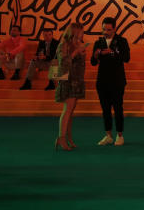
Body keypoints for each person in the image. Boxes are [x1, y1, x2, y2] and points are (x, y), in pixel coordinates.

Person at [91, 18, 131, 146]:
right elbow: (93, 62)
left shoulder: (122, 41)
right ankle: (108, 135)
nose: (106, 32)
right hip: (102, 81)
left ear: (114, 29)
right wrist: (96, 55)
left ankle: (120, 135)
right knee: (105, 109)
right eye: (104, 29)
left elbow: (126, 58)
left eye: (108, 29)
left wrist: (112, 52)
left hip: (117, 80)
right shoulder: (99, 42)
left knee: (118, 108)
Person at [54, 23, 86, 151]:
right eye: (80, 32)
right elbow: (64, 63)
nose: (82, 34)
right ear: (74, 32)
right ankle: (61, 138)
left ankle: (68, 137)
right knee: (67, 110)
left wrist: (82, 52)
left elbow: (81, 64)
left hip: (77, 80)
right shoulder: (64, 45)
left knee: (71, 111)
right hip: (68, 80)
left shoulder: (78, 44)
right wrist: (75, 53)